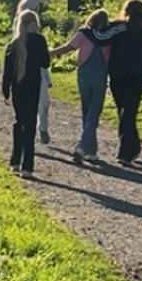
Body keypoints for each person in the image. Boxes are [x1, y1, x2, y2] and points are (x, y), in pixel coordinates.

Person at [51, 8, 112, 165]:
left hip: (84, 74)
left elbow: (68, 47)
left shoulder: (84, 34)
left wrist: (50, 52)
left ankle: (88, 149)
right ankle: (86, 148)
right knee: (94, 112)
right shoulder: (109, 37)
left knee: (86, 110)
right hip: (100, 75)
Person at [99, 0, 142, 165]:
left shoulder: (119, 27)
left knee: (123, 111)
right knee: (129, 112)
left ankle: (125, 152)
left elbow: (101, 37)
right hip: (138, 76)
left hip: (118, 75)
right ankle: (132, 147)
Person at [1, 9, 50, 178]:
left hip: (17, 87)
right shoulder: (39, 41)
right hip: (33, 86)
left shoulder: (13, 44)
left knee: (19, 122)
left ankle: (15, 161)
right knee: (30, 125)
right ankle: (27, 165)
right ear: (32, 24)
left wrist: (5, 91)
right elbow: (46, 63)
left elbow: (7, 71)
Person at [13, 0, 62, 141]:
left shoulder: (37, 32)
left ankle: (42, 128)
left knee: (45, 102)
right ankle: (29, 131)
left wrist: (47, 78)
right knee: (29, 102)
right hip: (23, 66)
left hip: (38, 69)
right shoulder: (20, 22)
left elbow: (43, 59)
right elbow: (27, 4)